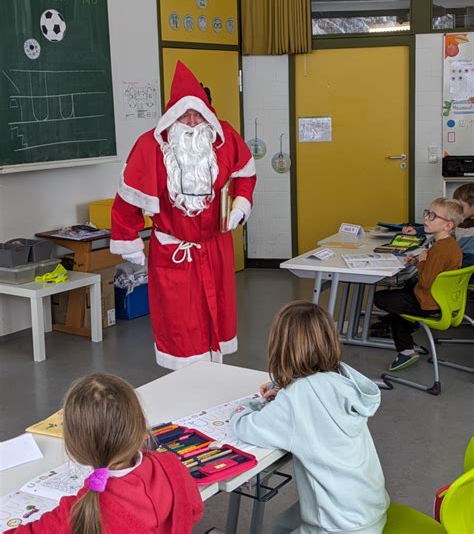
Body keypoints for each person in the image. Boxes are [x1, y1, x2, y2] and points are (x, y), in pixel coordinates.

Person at [111, 61, 256, 369]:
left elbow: (246, 174)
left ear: (208, 114)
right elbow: (127, 199)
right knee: (180, 324)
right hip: (173, 251)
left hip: (215, 247)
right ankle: (184, 388)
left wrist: (240, 205)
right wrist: (129, 239)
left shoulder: (225, 138)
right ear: (172, 115)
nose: (191, 122)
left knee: (215, 315)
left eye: (198, 114)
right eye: (185, 114)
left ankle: (213, 382)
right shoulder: (150, 146)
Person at [230, 301, 389, 534]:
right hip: (367, 512)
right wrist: (282, 388)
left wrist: (252, 403)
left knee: (280, 527)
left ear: (280, 347)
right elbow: (310, 395)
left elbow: (245, 428)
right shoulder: (341, 377)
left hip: (337, 527)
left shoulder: (297, 397)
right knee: (281, 525)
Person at [6, 373, 203, 534]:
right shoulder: (171, 465)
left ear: (75, 447)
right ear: (142, 428)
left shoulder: (80, 512)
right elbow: (194, 510)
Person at [374, 197, 463, 371]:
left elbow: (426, 282)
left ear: (448, 225)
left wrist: (422, 261)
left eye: (433, 216)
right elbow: (435, 273)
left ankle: (406, 350)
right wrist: (418, 263)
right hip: (442, 299)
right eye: (427, 214)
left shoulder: (439, 250)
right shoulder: (448, 245)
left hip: (430, 302)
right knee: (403, 293)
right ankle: (408, 339)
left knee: (383, 298)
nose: (426, 219)